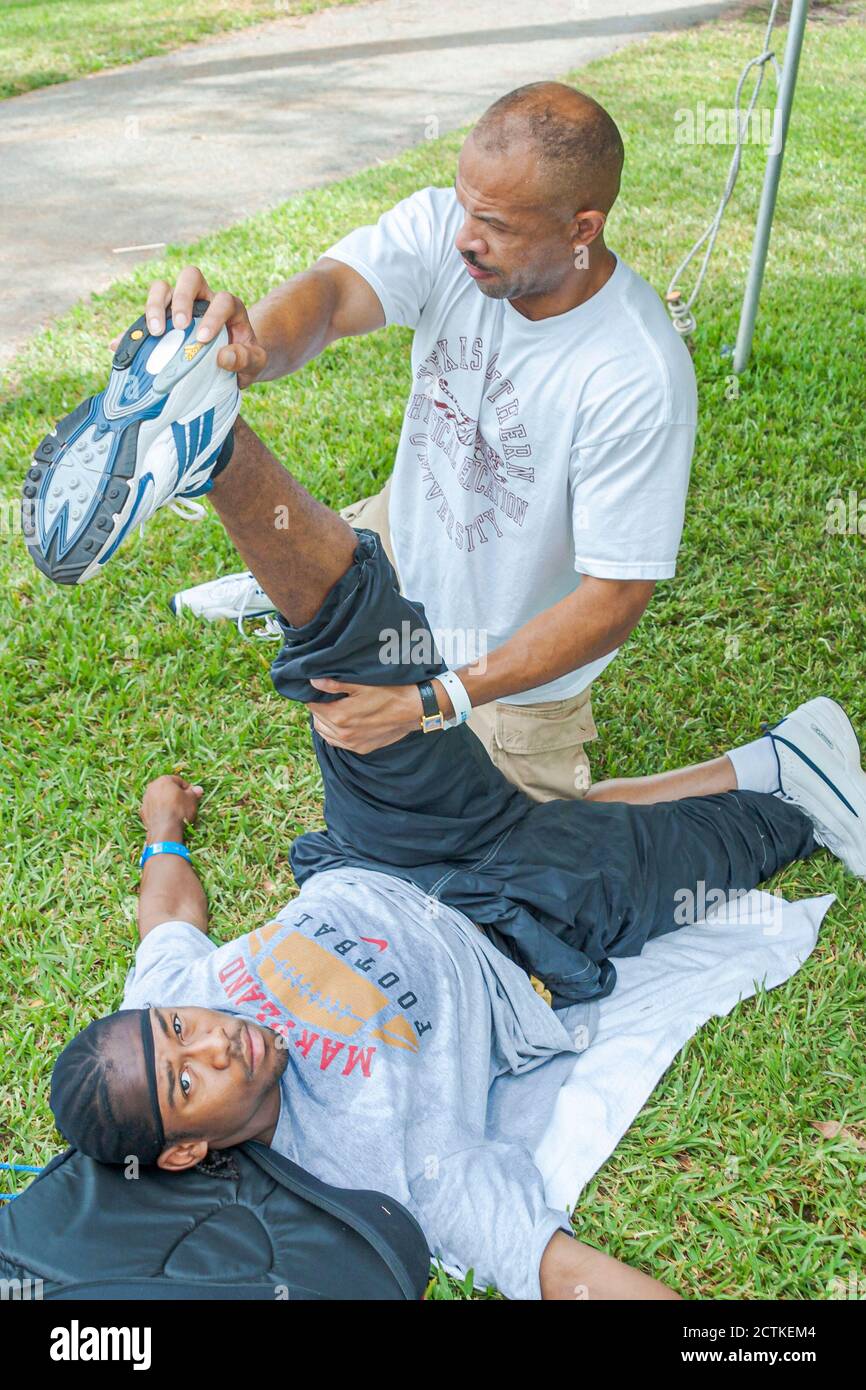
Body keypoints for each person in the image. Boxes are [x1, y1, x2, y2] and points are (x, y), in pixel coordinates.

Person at [38, 345, 866, 1297]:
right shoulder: (379, 1163)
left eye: (181, 1026)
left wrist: (162, 825)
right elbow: (558, 1273)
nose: (213, 1040)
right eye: (189, 1080)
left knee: (349, 653)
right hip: (517, 918)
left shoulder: (175, 998)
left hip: (382, 849)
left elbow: (167, 921)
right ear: (184, 1153)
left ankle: (209, 441)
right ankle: (779, 771)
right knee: (756, 830)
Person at [141, 80, 698, 803]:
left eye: (495, 223)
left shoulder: (636, 373)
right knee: (347, 552)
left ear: (581, 229)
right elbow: (334, 295)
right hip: (406, 537)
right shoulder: (449, 231)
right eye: (466, 205)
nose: (466, 236)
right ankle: (299, 576)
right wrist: (252, 348)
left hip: (511, 681)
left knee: (515, 870)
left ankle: (774, 770)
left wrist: (430, 701)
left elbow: (613, 598)